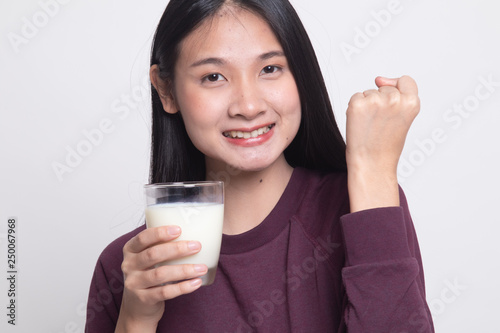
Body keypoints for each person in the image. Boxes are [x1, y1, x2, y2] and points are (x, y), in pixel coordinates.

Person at [85, 0, 434, 332]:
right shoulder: (127, 270)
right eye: (213, 77)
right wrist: (136, 319)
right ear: (167, 91)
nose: (248, 106)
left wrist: (372, 169)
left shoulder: (367, 207)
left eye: (270, 69)